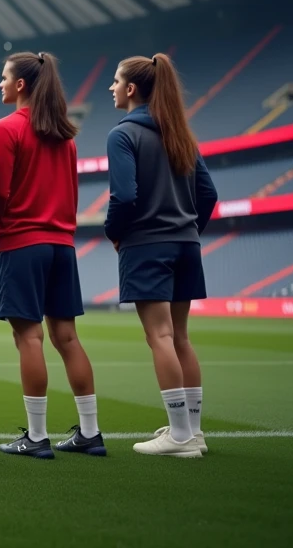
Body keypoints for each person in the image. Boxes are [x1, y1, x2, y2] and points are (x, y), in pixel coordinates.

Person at [0, 52, 104, 459]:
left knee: (29, 337)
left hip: (22, 243)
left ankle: (37, 436)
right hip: (62, 245)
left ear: (21, 85)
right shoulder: (65, 136)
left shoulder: (7, 128)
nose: (0, 84)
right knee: (67, 337)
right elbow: (71, 193)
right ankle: (90, 432)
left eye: (4, 78)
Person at [106, 54, 217, 458]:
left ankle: (180, 436)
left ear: (131, 88)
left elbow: (124, 196)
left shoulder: (123, 134)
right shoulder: (180, 132)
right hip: (186, 244)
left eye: (116, 81)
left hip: (147, 245)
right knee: (181, 336)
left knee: (160, 336)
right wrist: (187, 230)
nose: (112, 88)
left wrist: (115, 233)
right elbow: (208, 194)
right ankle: (193, 431)